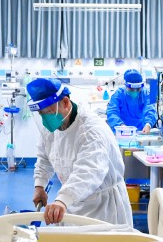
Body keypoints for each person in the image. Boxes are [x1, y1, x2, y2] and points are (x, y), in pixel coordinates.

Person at [28, 78, 133, 226]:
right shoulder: (52, 126)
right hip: (72, 202)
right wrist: (39, 185)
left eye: (48, 112)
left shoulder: (91, 130)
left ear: (65, 103)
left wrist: (63, 199)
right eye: (41, 114)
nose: (45, 118)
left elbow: (89, 171)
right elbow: (44, 157)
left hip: (102, 207)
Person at [106, 69, 157, 134]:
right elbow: (112, 112)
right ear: (125, 85)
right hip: (122, 132)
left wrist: (148, 124)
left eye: (138, 89)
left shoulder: (146, 93)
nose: (135, 91)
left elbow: (150, 109)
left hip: (141, 131)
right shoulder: (119, 94)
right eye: (132, 89)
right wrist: (121, 126)